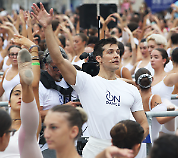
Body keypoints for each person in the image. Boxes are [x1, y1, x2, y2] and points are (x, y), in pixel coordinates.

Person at [31, 3, 148, 158]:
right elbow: (58, 59)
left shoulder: (130, 89)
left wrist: (134, 144)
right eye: (110, 52)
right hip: (96, 149)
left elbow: (144, 123)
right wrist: (47, 27)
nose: (116, 56)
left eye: (118, 52)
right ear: (98, 58)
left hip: (127, 150)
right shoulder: (86, 82)